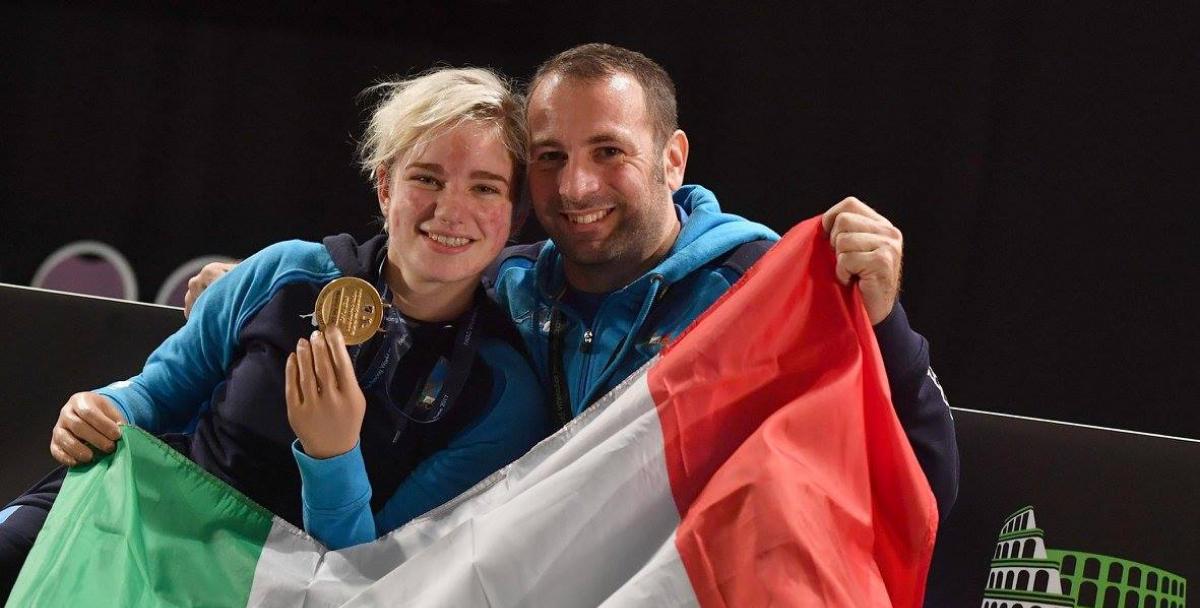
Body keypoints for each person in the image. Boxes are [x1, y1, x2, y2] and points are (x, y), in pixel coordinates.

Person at [186, 43, 959, 515]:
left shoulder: (760, 289)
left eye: (609, 152)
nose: (577, 187)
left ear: (673, 158)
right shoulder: (516, 281)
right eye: (551, 158)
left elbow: (924, 483)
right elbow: (401, 265)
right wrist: (242, 292)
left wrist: (885, 329)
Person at [0, 67, 548, 605]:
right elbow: (156, 392)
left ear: (514, 215)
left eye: (485, 188)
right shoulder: (285, 272)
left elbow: (369, 581)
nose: (451, 210)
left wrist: (332, 456)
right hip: (141, 514)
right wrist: (102, 408)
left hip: (265, 603)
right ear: (385, 186)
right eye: (426, 178)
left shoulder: (501, 393)